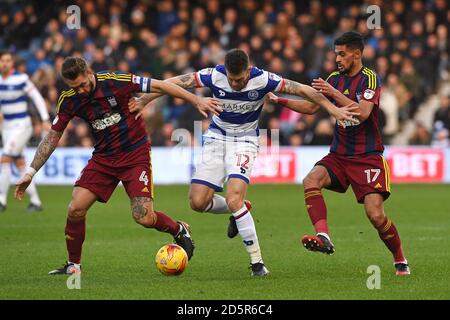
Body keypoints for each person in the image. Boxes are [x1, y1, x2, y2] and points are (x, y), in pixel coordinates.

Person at [129, 48, 359, 276]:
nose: (235, 84)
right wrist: (144, 100)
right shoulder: (214, 75)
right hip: (216, 139)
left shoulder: (263, 79)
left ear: (248, 70)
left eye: (239, 80)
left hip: (245, 142)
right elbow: (175, 82)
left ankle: (257, 263)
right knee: (197, 202)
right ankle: (241, 208)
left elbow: (303, 90)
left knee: (234, 198)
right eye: (232, 79)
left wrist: (333, 110)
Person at [15, 56, 221, 275]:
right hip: (103, 158)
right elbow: (52, 137)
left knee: (143, 217)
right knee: (75, 209)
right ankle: (73, 265)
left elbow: (161, 85)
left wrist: (195, 100)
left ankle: (178, 229)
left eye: (83, 84)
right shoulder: (69, 99)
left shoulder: (115, 81)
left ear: (89, 72)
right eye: (75, 88)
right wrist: (31, 171)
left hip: (135, 154)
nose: (81, 90)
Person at [273, 32, 410, 276]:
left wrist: (332, 93)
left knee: (376, 215)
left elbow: (363, 113)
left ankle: (399, 258)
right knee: (311, 180)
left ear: (357, 55)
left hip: (367, 156)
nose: (337, 58)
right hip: (339, 154)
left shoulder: (370, 78)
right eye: (336, 53)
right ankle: (324, 237)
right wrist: (279, 100)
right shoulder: (334, 78)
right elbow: (312, 107)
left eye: (342, 54)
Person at [0, 50, 51, 212]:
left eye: (8, 60)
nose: (5, 63)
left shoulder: (21, 79)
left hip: (22, 125)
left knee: (5, 158)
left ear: (12, 63)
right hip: (7, 127)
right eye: (3, 61)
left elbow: (36, 97)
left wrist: (44, 119)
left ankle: (1, 200)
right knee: (20, 163)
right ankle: (35, 202)